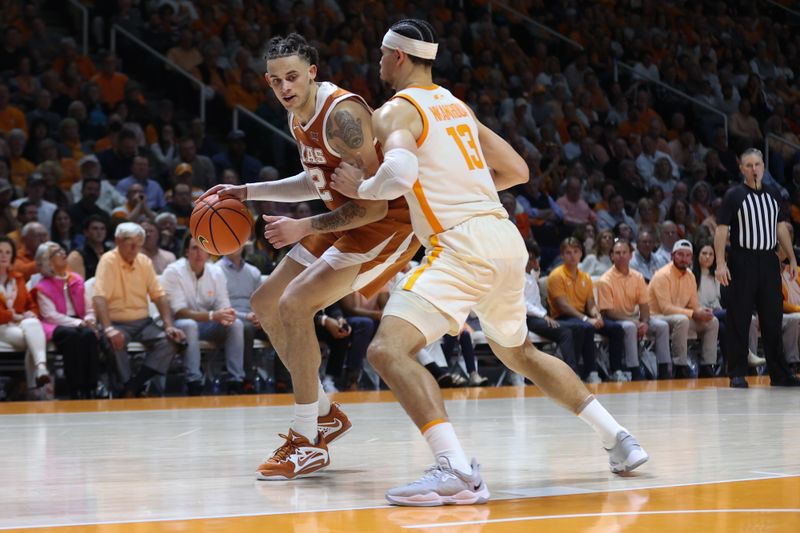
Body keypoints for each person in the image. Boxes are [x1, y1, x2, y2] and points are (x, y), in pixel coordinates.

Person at [329, 19, 647, 506]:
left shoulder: (395, 112)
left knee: (386, 350)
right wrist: (461, 189)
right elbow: (517, 170)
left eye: (380, 54)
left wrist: (363, 189)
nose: (376, 62)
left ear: (397, 57)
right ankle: (619, 439)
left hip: (460, 245)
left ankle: (454, 467)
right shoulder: (456, 106)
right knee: (519, 353)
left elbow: (397, 172)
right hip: (503, 237)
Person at [201, 33, 420, 480]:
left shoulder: (341, 115)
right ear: (268, 81)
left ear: (313, 73)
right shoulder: (297, 114)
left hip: (385, 225)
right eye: (277, 80)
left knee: (295, 306)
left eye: (294, 77)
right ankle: (325, 413)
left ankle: (307, 441)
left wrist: (303, 225)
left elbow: (375, 204)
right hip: (344, 215)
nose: (285, 87)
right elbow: (315, 180)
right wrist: (247, 192)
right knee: (266, 304)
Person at [714, 148, 800, 388]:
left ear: (764, 167)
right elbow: (721, 230)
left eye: (758, 164)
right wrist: (721, 263)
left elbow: (781, 227)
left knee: (773, 317)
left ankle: (780, 373)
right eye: (749, 165)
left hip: (769, 260)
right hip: (742, 259)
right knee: (739, 317)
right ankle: (737, 372)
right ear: (741, 169)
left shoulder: (774, 193)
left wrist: (791, 258)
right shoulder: (734, 195)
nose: (754, 169)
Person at [92, 222, 185, 397]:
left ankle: (132, 386)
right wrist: (108, 328)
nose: (135, 247)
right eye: (129, 242)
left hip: (143, 323)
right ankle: (129, 386)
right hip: (116, 322)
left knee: (172, 340)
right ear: (118, 241)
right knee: (113, 342)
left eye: (139, 242)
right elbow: (99, 297)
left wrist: (168, 326)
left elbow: (159, 296)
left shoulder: (144, 261)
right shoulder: (108, 260)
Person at [162, 237, 245, 395]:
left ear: (209, 253)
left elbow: (224, 306)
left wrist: (226, 314)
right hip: (178, 325)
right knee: (189, 325)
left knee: (236, 325)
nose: (199, 253)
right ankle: (194, 380)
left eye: (202, 249)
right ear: (186, 252)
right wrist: (214, 315)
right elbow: (179, 311)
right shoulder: (173, 271)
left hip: (208, 325)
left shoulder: (216, 272)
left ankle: (236, 380)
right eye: (194, 248)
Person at [33, 241, 100, 399]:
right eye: (56, 253)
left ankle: (91, 387)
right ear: (48, 261)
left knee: (88, 335)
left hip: (79, 320)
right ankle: (75, 388)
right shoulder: (43, 286)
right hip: (54, 325)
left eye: (62, 250)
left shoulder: (75, 279)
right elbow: (50, 315)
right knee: (72, 337)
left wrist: (90, 319)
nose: (63, 253)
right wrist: (78, 323)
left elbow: (88, 307)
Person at [596, 239, 670, 380]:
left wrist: (645, 322)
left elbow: (644, 305)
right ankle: (634, 370)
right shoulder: (605, 280)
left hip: (636, 318)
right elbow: (608, 312)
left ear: (631, 255)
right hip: (616, 320)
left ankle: (664, 368)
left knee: (662, 326)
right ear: (611, 256)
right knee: (630, 327)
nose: (621, 255)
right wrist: (635, 322)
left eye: (624, 252)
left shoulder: (638, 276)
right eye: (617, 253)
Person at [649, 240, 719, 379]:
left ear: (691, 258)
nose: (684, 259)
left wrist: (702, 311)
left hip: (679, 316)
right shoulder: (662, 275)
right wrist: (693, 313)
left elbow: (694, 304)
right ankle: (679, 366)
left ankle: (707, 366)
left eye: (687, 255)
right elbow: (666, 308)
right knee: (682, 320)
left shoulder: (690, 276)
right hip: (657, 316)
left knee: (713, 321)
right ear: (672, 255)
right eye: (680, 255)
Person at [0, 235, 51, 398]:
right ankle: (34, 386)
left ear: (12, 256)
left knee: (32, 324)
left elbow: (31, 305)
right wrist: (12, 316)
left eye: (8, 252)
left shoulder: (18, 278)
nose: (4, 256)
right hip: (2, 326)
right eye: (0, 252)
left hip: (20, 325)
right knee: (33, 338)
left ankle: (41, 369)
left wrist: (32, 313)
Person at [523, 241, 580, 374]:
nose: (529, 261)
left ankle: (560, 362)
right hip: (527, 319)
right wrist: (543, 316)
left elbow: (533, 278)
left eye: (532, 258)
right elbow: (522, 304)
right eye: (527, 258)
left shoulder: (530, 275)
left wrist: (536, 269)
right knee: (565, 333)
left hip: (539, 316)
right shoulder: (516, 276)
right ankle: (571, 373)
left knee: (578, 328)